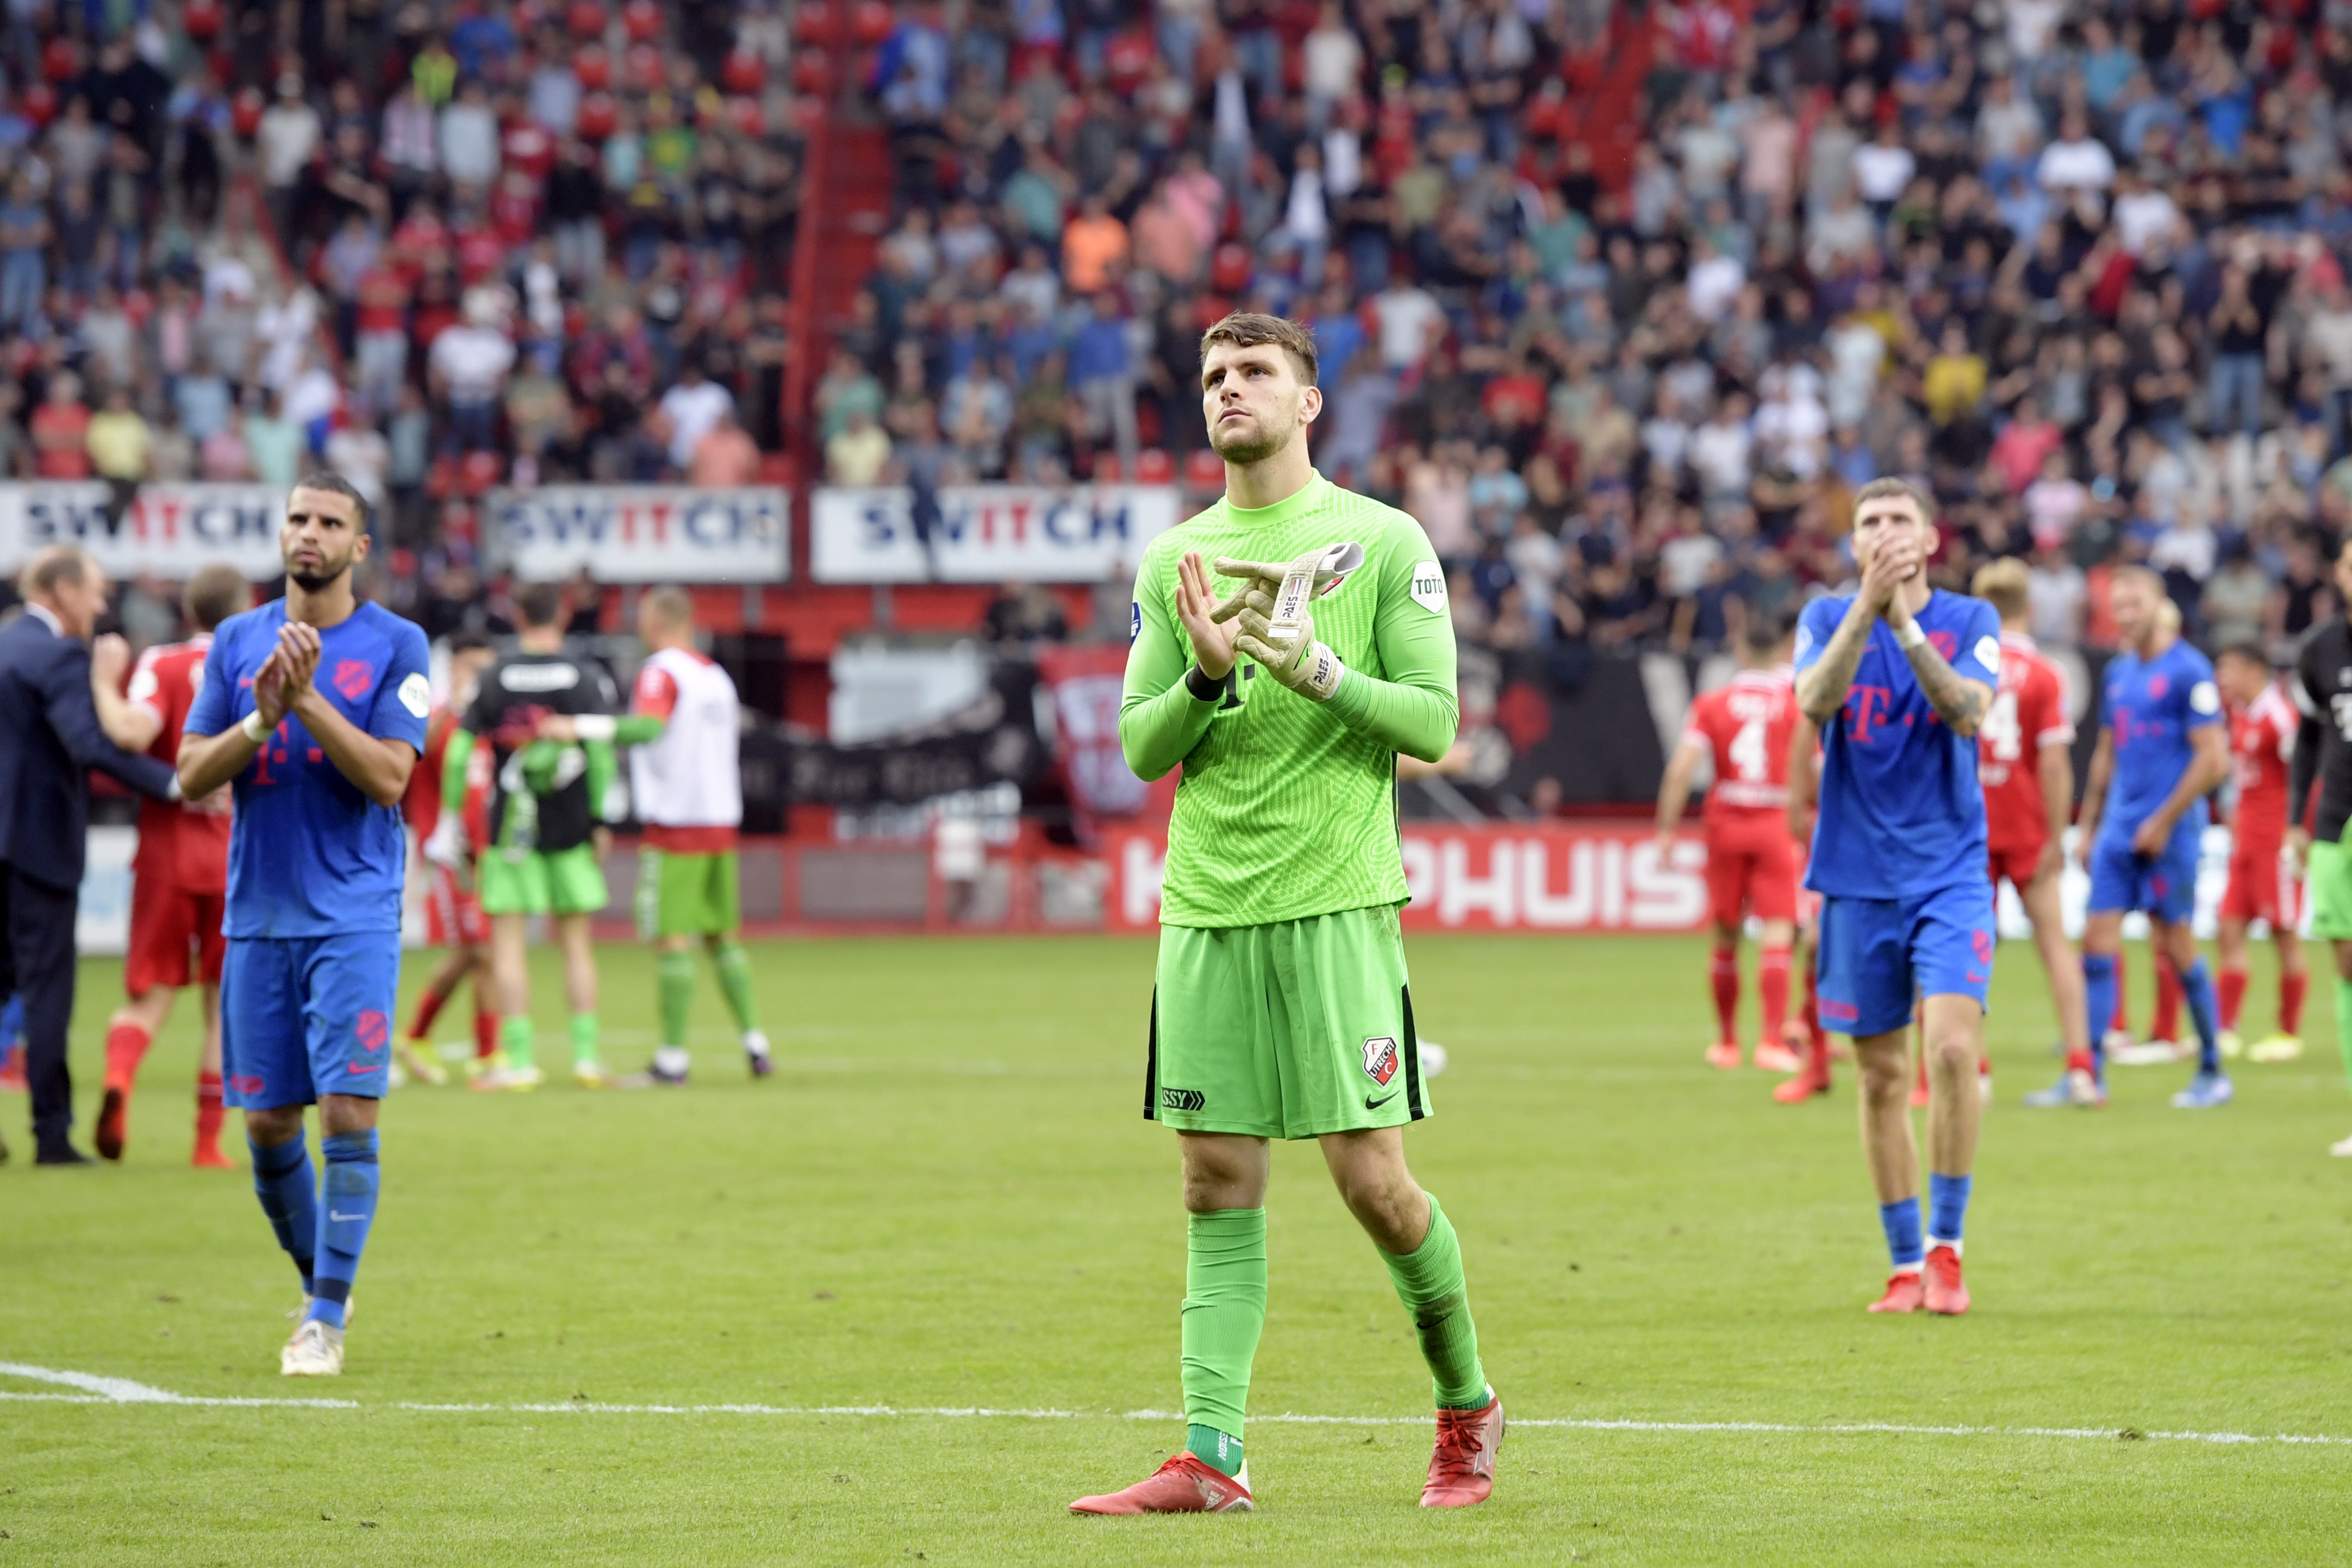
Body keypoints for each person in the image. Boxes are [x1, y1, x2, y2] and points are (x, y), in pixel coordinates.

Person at [1072, 313, 1499, 1516]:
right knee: (1213, 1178)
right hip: (1207, 905)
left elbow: (1433, 722)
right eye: (1214, 375)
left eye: (1255, 371)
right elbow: (1140, 744)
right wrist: (1207, 672)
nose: (1229, 388)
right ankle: (1213, 1455)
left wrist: (1316, 667)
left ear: (1308, 402)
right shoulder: (1177, 560)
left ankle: (1466, 1404)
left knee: (1374, 1184)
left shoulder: (1383, 538)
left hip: (1336, 901)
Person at [177, 474, 432, 1375]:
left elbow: (391, 778)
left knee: (349, 1108)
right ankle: (325, 1281)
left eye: (329, 522)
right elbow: (190, 775)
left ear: (359, 546)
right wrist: (260, 717)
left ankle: (321, 1321)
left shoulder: (399, 644)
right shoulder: (236, 640)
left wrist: (307, 700)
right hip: (258, 915)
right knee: (267, 1127)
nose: (308, 533)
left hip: (354, 912)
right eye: (297, 519)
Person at [1792, 477, 2001, 1316]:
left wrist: (1903, 623)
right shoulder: (1821, 618)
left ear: (1928, 538)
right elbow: (1813, 702)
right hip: (1854, 875)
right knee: (1879, 1078)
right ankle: (1903, 1262)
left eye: (1898, 520)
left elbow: (1967, 712)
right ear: (1852, 544)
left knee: (1948, 1050)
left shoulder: (1971, 619)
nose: (1883, 532)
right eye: (1869, 522)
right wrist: (1865, 608)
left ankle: (1947, 1251)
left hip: (1948, 872)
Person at [536, 586, 772, 1086]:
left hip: (677, 822)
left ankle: (672, 1059)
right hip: (720, 818)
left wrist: (578, 726)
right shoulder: (715, 676)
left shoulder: (661, 671)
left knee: (671, 938)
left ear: (656, 621)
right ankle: (755, 1043)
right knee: (722, 936)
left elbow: (647, 729)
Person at [0, 547, 182, 1164]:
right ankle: (51, 1134)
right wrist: (174, 783)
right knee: (46, 990)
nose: (102, 604)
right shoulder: (60, 655)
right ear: (61, 590)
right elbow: (89, 742)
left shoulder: (5, 645)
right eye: (96, 591)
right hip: (38, 845)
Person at [87, 564, 252, 1165]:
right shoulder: (254, 668)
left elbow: (132, 733)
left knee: (148, 996)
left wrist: (103, 683)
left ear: (188, 611)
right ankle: (207, 1144)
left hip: (166, 855)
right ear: (244, 610)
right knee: (223, 1006)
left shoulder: (162, 663)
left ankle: (119, 1080)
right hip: (235, 858)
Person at [429, 583, 618, 1092]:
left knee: (509, 945)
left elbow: (458, 753)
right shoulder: (584, 676)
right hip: (571, 826)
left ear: (517, 616)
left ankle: (519, 1060)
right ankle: (586, 1058)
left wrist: (451, 819)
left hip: (512, 829)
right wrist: (600, 818)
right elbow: (601, 754)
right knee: (576, 942)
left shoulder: (495, 676)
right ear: (564, 614)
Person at [2074, 569, 2233, 1110]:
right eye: (2117, 605)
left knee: (2175, 942)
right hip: (2119, 828)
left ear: (2158, 604)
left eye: (2134, 604)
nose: (2124, 615)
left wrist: (2163, 820)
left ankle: (2211, 1067)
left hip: (2170, 831)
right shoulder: (2119, 672)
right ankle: (2089, 1073)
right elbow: (2106, 750)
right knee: (2095, 939)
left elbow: (2213, 759)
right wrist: (2089, 824)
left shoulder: (2189, 670)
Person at [1962, 560, 2094, 1110]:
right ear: (2029, 607)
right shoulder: (2044, 673)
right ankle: (2082, 1069)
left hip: (1968, 829)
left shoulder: (1962, 668)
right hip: (2026, 828)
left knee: (1968, 950)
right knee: (2055, 945)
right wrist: (2054, 834)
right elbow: (2054, 762)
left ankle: (1976, 1073)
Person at [1655, 615, 1803, 1074]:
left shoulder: (1712, 702)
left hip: (1725, 822)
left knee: (1724, 932)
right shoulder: (1794, 703)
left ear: (1739, 651)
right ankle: (1771, 1042)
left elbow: (1682, 769)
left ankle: (1725, 1043)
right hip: (1776, 819)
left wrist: (1665, 830)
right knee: (1778, 930)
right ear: (1778, 651)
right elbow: (1813, 769)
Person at [398, 630, 501, 1085]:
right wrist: (454, 706)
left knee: (479, 952)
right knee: (481, 950)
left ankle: (421, 1037)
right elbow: (413, 753)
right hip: (449, 852)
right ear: (455, 670)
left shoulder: (490, 719)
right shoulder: (439, 714)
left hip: (489, 850)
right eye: (474, 668)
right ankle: (486, 1053)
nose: (482, 677)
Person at [2286, 536, 2352, 1155]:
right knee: (2347, 966)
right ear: (2338, 573)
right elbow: (2307, 739)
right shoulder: (2319, 648)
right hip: (2335, 823)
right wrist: (2294, 821)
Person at [2212, 644, 2305, 1064]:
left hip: (2274, 845)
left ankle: (2287, 1032)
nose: (2223, 678)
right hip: (2244, 843)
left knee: (2283, 935)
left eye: (2229, 669)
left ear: (2255, 670)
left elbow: (2303, 776)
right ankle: (2225, 1029)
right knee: (2227, 928)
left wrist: (2296, 832)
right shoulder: (2237, 713)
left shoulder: (2279, 717)